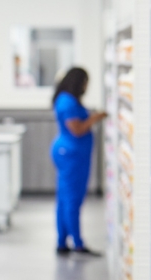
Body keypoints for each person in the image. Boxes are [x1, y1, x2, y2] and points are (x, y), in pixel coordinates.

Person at [51, 67, 105, 255]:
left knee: (65, 198)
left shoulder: (67, 99)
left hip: (70, 152)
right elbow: (77, 129)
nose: (86, 87)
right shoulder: (67, 101)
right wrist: (95, 118)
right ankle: (77, 243)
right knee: (72, 199)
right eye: (85, 82)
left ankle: (62, 241)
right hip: (71, 154)